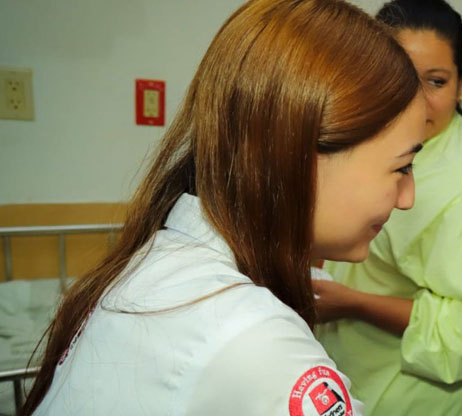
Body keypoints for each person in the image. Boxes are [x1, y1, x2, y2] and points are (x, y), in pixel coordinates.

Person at [22, 0, 425, 414]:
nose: (408, 197)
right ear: (301, 160)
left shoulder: (163, 261)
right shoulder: (252, 339)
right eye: (402, 167)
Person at [310, 0, 462, 414]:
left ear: (461, 84)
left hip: (416, 397)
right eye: (400, 75)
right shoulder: (376, 138)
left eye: (436, 81)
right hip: (357, 368)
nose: (417, 100)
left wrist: (352, 302)